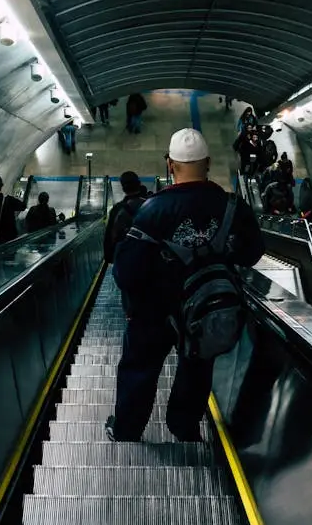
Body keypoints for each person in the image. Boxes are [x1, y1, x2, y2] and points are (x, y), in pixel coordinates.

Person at [108, 128, 264, 442]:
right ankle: (184, 426)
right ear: (207, 162)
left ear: (170, 164)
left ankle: (127, 429)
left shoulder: (150, 211)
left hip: (153, 312)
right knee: (196, 368)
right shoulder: (232, 207)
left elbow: (125, 272)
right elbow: (252, 253)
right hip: (206, 310)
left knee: (139, 369)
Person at [103, 171, 148, 263]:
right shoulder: (151, 204)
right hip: (148, 258)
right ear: (139, 184)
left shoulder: (117, 209)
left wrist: (110, 258)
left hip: (124, 259)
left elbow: (110, 237)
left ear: (123, 188)